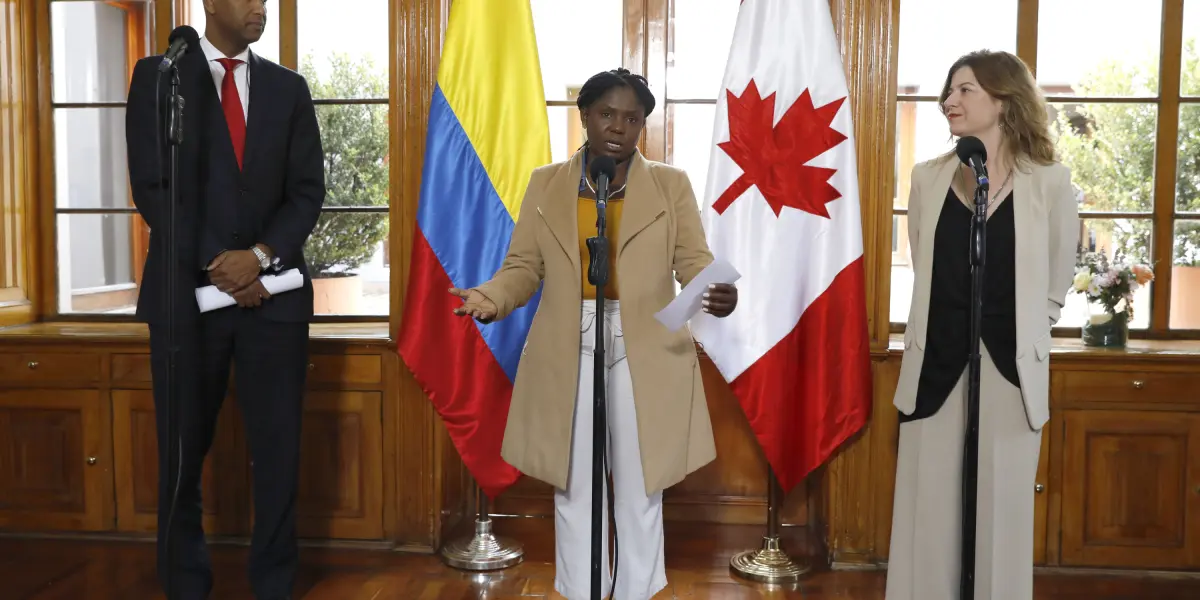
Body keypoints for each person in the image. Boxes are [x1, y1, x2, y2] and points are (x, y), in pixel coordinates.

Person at [449, 68, 738, 600]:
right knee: (574, 486)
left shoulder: (671, 184)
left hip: (645, 347)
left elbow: (695, 262)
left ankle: (634, 593)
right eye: (607, 114)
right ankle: (583, 592)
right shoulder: (546, 183)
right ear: (584, 115)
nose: (619, 127)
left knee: (640, 488)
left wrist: (719, 293)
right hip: (568, 346)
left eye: (633, 119)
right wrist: (491, 298)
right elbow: (523, 266)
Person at [124, 0, 324, 597]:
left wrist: (258, 257)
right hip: (186, 301)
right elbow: (153, 187)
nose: (260, 8)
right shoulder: (161, 76)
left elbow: (307, 190)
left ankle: (274, 584)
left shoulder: (289, 88)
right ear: (211, 3)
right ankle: (185, 584)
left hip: (275, 298)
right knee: (182, 454)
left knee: (279, 454)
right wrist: (220, 262)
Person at [886, 50, 1077, 600]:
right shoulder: (927, 178)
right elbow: (925, 265)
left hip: (1010, 373)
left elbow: (1054, 285)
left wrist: (1025, 332)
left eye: (965, 90)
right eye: (949, 90)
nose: (949, 100)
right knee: (928, 513)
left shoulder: (1050, 183)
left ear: (1003, 100)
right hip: (935, 367)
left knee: (1002, 515)